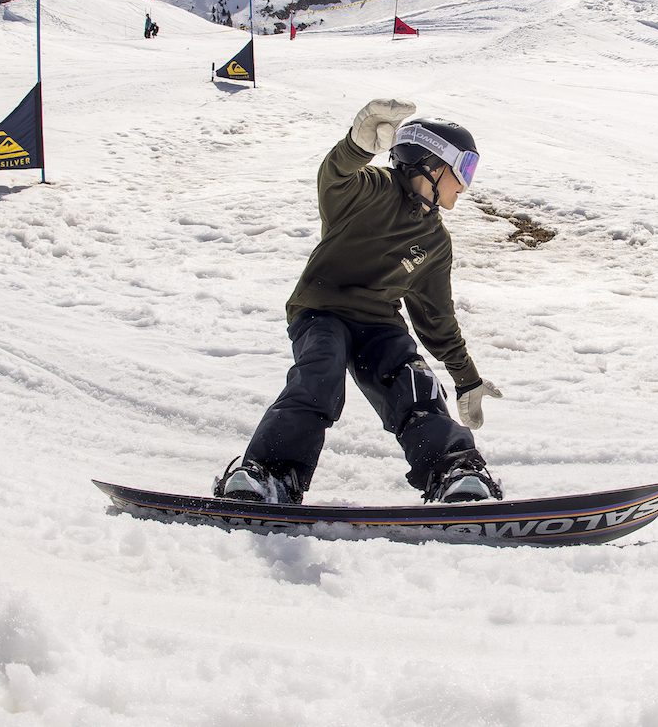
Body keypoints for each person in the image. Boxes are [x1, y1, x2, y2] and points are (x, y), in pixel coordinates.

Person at [215, 100, 504, 505]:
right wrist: (356, 146)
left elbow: (436, 318)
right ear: (432, 164)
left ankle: (453, 470)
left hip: (379, 326)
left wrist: (466, 378)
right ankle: (271, 474)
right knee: (319, 375)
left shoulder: (435, 241)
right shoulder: (373, 190)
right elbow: (336, 179)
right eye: (465, 169)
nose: (466, 183)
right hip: (322, 310)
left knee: (414, 385)